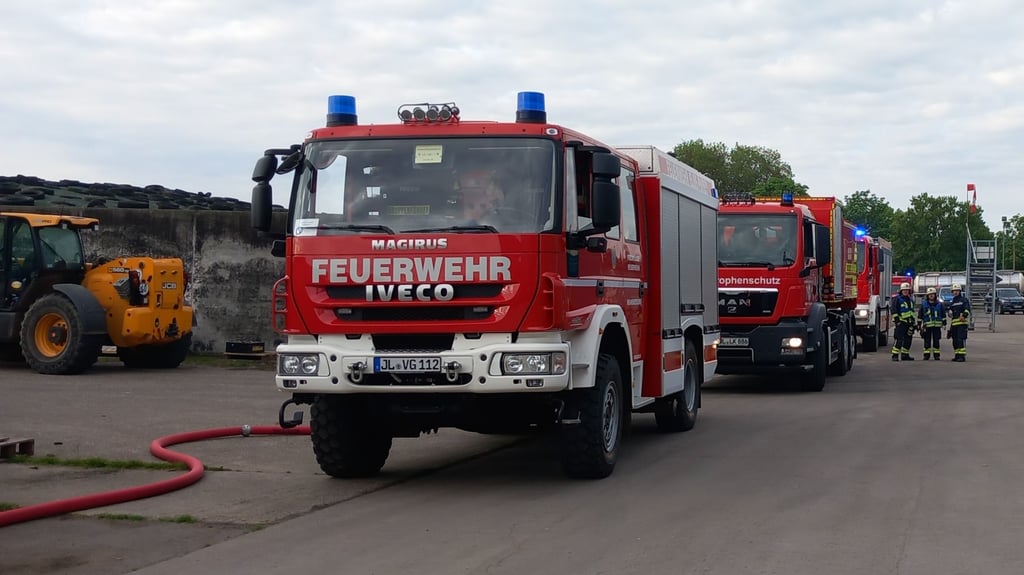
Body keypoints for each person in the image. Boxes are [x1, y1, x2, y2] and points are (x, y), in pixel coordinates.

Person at [917, 287, 946, 360]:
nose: (931, 295)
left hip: (937, 326)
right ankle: (926, 355)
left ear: (935, 295)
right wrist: (919, 324)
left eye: (933, 294)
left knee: (936, 340)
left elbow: (943, 314)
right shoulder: (924, 304)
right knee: (927, 340)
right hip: (927, 326)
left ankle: (937, 355)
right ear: (927, 296)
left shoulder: (940, 304)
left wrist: (944, 323)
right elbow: (920, 315)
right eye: (930, 294)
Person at [891, 282, 917, 361]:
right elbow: (894, 310)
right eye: (904, 290)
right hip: (901, 323)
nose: (905, 291)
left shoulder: (910, 300)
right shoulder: (897, 299)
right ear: (901, 291)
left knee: (908, 340)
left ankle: (905, 355)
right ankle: (895, 355)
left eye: (907, 290)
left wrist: (913, 323)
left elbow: (912, 312)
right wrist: (897, 320)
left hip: (909, 323)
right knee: (899, 339)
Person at [947, 283, 971, 362]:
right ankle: (957, 355)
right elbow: (950, 313)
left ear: (960, 291)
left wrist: (964, 315)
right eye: (954, 291)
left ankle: (962, 356)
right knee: (955, 341)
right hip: (954, 324)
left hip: (962, 324)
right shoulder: (953, 302)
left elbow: (967, 309)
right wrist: (949, 313)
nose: (955, 292)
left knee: (960, 340)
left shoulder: (964, 300)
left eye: (957, 290)